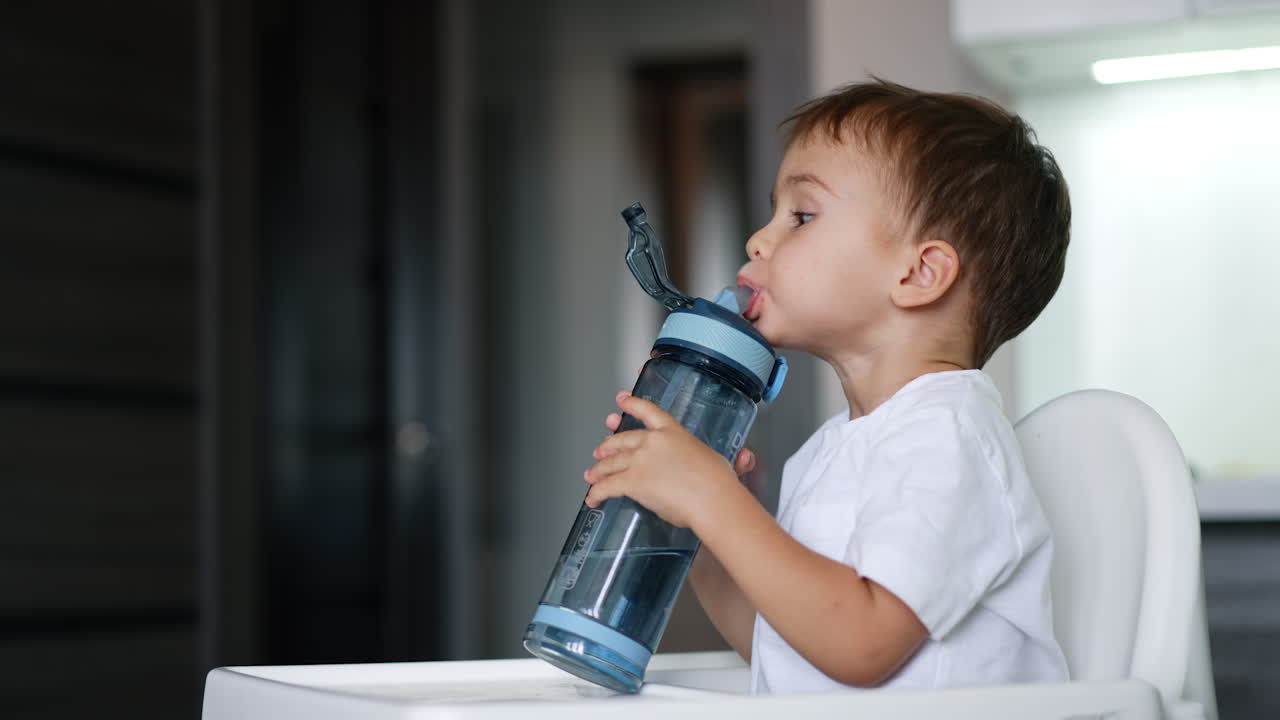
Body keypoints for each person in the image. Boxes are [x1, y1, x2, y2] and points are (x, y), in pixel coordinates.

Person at [582, 78, 1072, 694]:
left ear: (920, 273)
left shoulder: (950, 438)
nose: (758, 239)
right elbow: (782, 647)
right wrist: (695, 523)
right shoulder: (835, 447)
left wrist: (712, 498)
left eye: (802, 215)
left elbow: (862, 644)